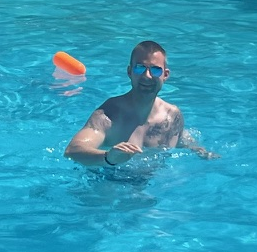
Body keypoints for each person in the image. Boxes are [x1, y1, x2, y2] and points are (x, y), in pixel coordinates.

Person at [66, 40, 216, 166]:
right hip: (110, 181)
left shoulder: (172, 116)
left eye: (155, 70)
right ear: (129, 72)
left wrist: (199, 150)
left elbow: (181, 137)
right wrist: (109, 158)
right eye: (140, 68)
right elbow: (73, 150)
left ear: (165, 75)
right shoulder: (109, 115)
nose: (147, 76)